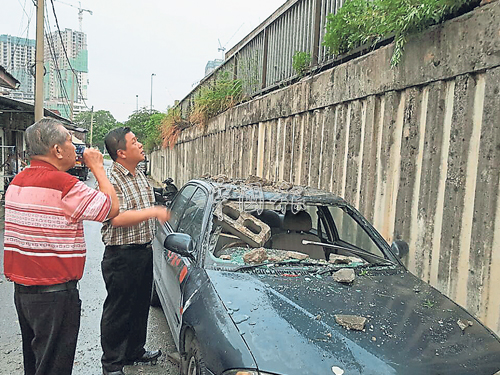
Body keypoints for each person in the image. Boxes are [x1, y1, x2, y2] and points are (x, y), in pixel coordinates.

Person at [3, 118, 119, 375]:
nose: (74, 147)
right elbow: (111, 207)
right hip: (54, 296)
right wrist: (99, 168)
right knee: (54, 365)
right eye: (69, 140)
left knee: (34, 363)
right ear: (56, 150)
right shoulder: (65, 186)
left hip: (23, 293)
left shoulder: (17, 182)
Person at [100, 127, 170, 375]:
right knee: (118, 310)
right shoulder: (111, 180)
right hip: (121, 255)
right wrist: (154, 212)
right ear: (121, 152)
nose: (140, 144)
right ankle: (112, 364)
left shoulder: (139, 173)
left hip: (142, 250)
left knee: (140, 305)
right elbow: (115, 218)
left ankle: (134, 351)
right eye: (134, 142)